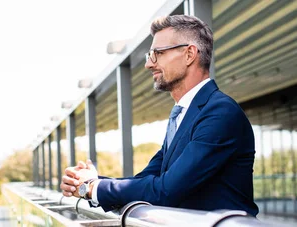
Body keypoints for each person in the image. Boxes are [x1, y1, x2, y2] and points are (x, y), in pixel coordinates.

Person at [60, 14, 259, 217]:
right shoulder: (183, 115)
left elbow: (166, 190)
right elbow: (147, 178)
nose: (149, 64)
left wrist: (93, 187)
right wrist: (89, 181)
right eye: (150, 55)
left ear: (189, 54)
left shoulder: (220, 113)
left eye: (158, 53)